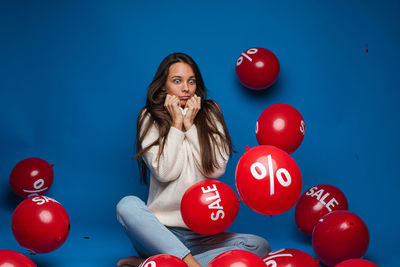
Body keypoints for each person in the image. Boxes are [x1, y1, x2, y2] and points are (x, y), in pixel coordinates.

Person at [116, 52, 271, 267]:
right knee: (127, 205)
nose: (186, 89)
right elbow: (166, 172)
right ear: (163, 87)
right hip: (157, 234)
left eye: (191, 81)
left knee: (259, 246)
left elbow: (215, 169)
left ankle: (159, 263)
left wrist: (190, 125)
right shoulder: (149, 116)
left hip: (202, 236)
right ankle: (185, 262)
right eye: (177, 81)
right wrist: (176, 124)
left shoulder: (210, 113)